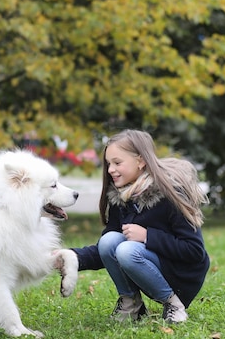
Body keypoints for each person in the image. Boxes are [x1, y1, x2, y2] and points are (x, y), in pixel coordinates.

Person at [56, 129, 210, 323]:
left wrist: (147, 236)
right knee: (109, 240)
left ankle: (174, 305)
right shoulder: (121, 197)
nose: (110, 169)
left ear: (140, 161)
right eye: (108, 163)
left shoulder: (171, 193)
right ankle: (132, 305)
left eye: (117, 163)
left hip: (180, 275)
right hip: (146, 267)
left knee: (127, 250)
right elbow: (106, 250)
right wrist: (73, 257)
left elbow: (195, 251)